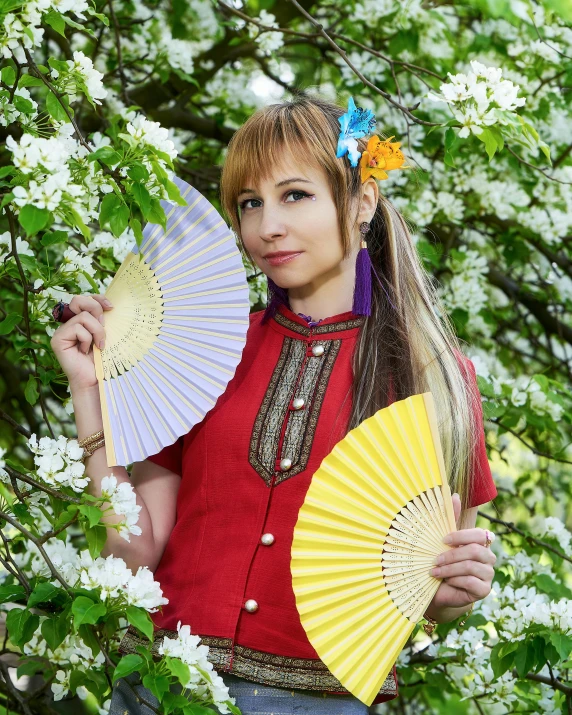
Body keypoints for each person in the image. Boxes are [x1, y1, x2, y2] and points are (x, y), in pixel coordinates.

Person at [50, 95, 497, 715]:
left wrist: (455, 592)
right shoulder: (201, 348)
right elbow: (137, 549)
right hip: (157, 688)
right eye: (249, 203)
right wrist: (88, 392)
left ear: (362, 200)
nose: (266, 226)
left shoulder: (438, 382)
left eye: (294, 195)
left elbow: (436, 587)